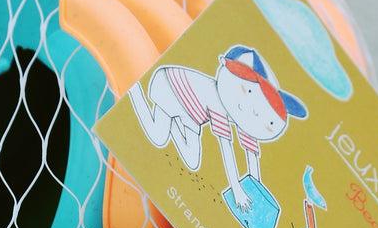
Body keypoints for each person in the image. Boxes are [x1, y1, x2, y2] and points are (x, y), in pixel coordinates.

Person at [128, 45, 306, 214]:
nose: (253, 111)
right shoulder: (220, 103)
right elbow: (226, 148)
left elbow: (251, 155)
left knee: (192, 161)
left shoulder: (245, 120)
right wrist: (237, 190)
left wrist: (255, 191)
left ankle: (173, 122)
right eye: (249, 92)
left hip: (192, 113)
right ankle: (133, 88)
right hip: (172, 86)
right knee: (158, 137)